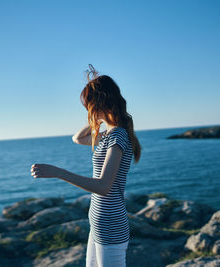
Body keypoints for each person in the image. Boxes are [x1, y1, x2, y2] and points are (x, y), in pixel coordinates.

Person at [30, 64, 141, 267]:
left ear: (100, 102)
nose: (88, 111)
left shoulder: (117, 136)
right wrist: (96, 120)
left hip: (111, 225)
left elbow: (103, 186)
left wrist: (57, 172)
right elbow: (78, 138)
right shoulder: (107, 135)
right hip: (98, 223)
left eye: (89, 105)